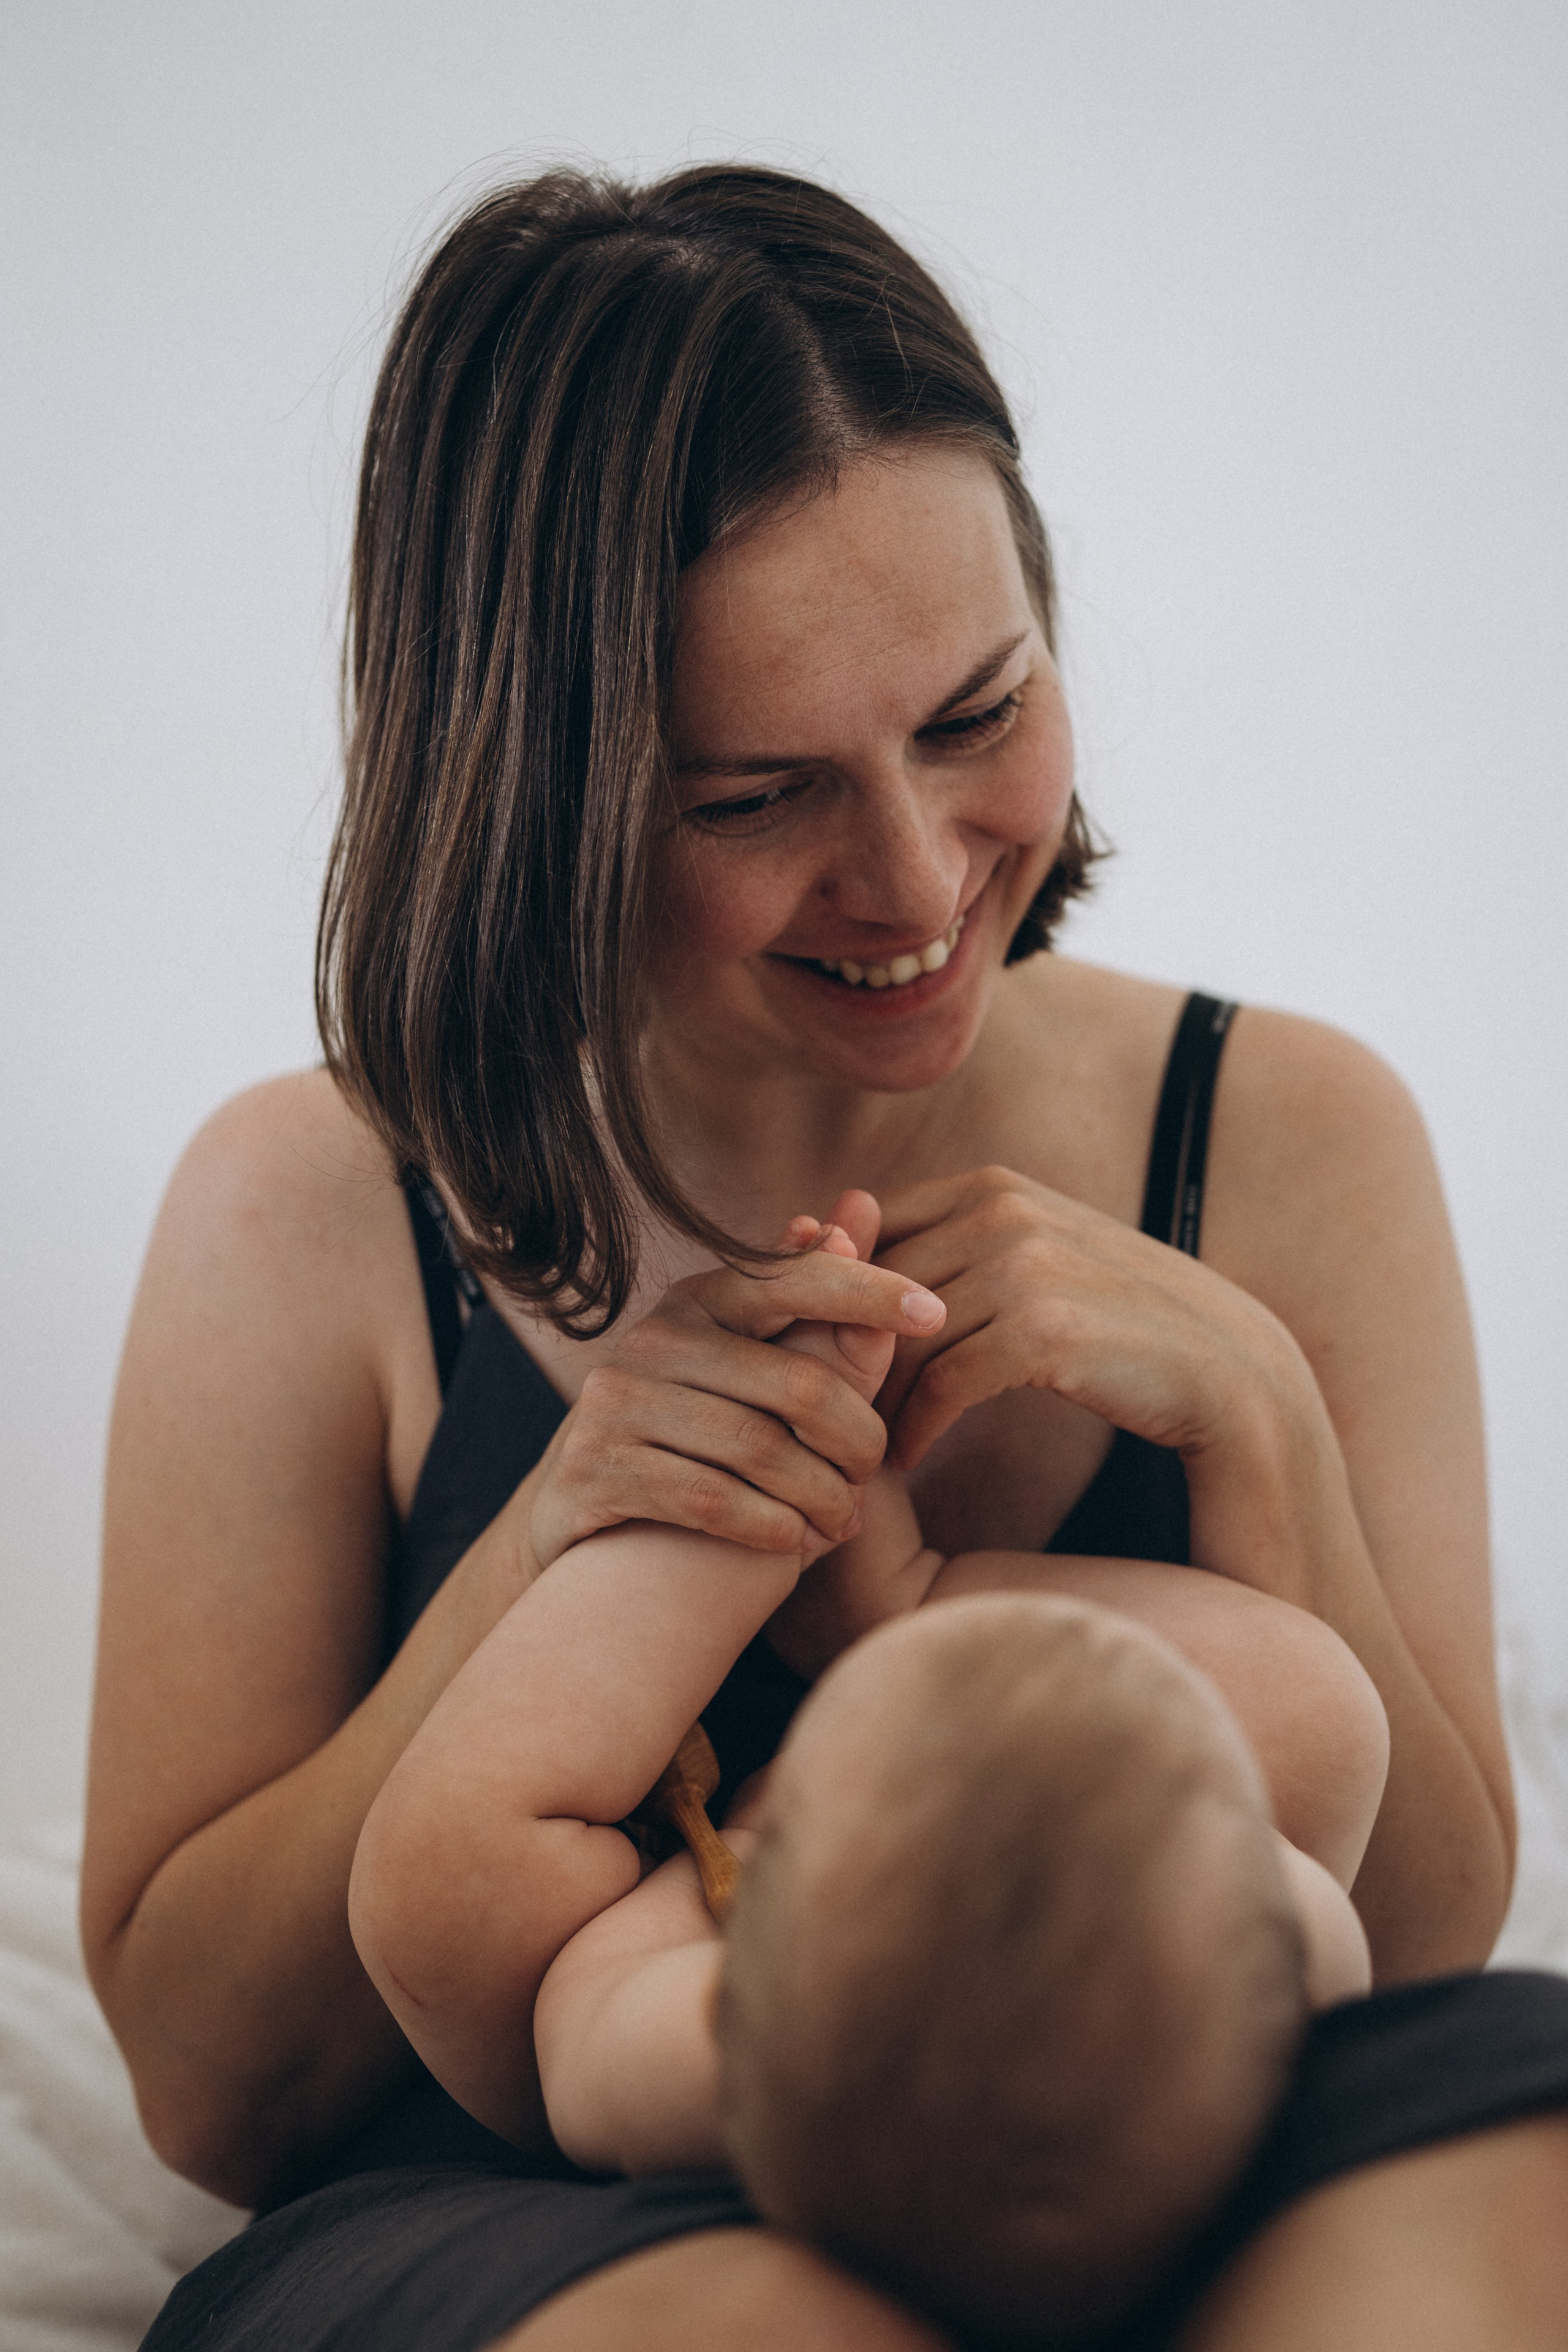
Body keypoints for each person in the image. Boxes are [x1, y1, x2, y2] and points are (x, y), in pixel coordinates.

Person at [81, 164, 1568, 2352]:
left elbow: (1419, 1952)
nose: (915, 876)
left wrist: (1259, 1425)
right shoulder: (307, 1208)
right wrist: (554, 1535)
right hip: (552, 2211)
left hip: (1190, 2121)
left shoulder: (1289, 1133)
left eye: (975, 718)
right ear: (542, 796)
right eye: (752, 795)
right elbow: (217, 2090)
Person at [349, 1223, 1379, 2346]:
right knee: (1313, 1727)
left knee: (450, 1898)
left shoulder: (758, 2060)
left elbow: (446, 1892)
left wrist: (736, 1529)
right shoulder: (1231, 1982)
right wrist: (907, 1597)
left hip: (561, 2248)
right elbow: (1314, 1741)